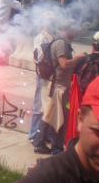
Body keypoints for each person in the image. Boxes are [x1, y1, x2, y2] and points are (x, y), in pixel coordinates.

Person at [33, 21, 87, 155]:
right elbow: (64, 64)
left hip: (60, 85)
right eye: (75, 29)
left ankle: (40, 143)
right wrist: (79, 58)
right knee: (59, 118)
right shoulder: (61, 43)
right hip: (58, 87)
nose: (77, 32)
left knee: (51, 116)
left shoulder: (62, 42)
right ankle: (55, 148)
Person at [28, 18, 55, 143]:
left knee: (48, 106)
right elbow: (38, 57)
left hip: (51, 76)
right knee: (39, 105)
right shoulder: (41, 38)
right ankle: (34, 134)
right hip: (43, 75)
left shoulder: (53, 36)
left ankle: (45, 134)